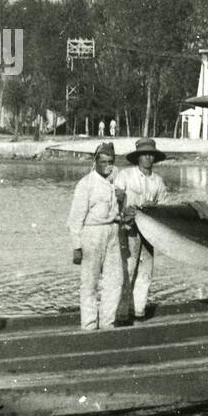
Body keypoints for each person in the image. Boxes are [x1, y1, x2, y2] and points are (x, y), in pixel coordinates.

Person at [67, 142, 125, 331]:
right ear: (95, 162)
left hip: (112, 232)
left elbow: (120, 211)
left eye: (111, 162)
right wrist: (77, 246)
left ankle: (108, 323)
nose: (107, 166)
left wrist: (122, 199)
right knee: (89, 281)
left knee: (115, 280)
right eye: (103, 162)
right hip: (92, 233)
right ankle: (89, 325)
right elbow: (75, 218)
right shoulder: (86, 184)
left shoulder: (115, 183)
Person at [114, 138, 170, 323]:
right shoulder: (125, 175)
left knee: (146, 270)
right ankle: (121, 312)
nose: (147, 158)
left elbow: (166, 205)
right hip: (129, 228)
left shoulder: (158, 181)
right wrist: (125, 207)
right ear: (137, 157)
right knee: (128, 269)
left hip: (150, 231)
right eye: (144, 155)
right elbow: (116, 197)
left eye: (150, 155)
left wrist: (154, 206)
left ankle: (138, 310)